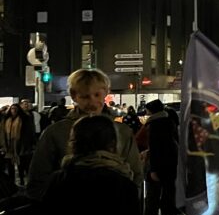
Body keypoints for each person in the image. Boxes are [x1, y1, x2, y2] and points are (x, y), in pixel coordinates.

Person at [28, 69, 143, 201]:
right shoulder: (55, 132)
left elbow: (136, 174)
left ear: (106, 92)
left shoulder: (123, 131)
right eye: (85, 97)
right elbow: (38, 178)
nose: (92, 102)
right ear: (73, 96)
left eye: (97, 95)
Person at [134, 100, 179, 215]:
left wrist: (153, 169)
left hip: (156, 163)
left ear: (152, 111)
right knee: (168, 191)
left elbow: (154, 147)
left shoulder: (154, 124)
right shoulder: (170, 121)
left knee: (152, 194)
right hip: (171, 163)